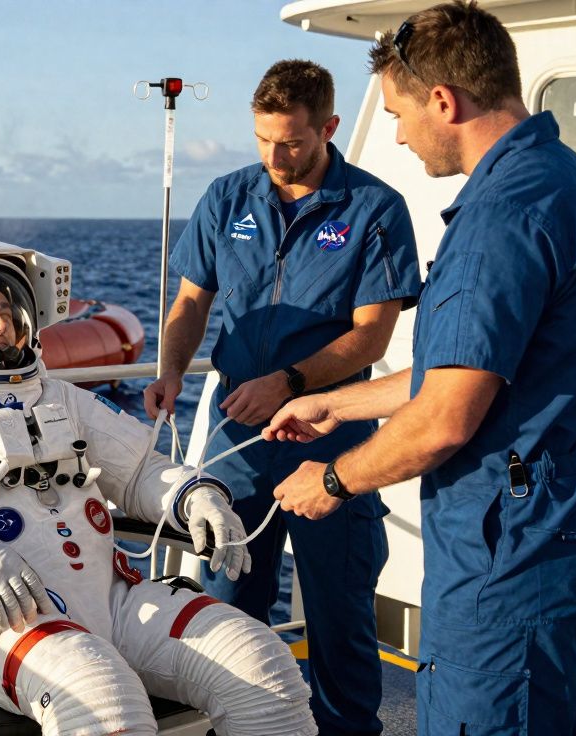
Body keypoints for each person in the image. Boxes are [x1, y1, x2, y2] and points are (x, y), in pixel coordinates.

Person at [265, 3, 576, 734]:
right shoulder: (571, 181)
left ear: (445, 101)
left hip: (506, 556)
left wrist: (331, 481)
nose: (396, 132)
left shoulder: (500, 218)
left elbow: (447, 418)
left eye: (399, 111)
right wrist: (337, 405)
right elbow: (469, 372)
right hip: (553, 534)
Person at [0, 238, 316, 735]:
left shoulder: (61, 398)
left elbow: (138, 471)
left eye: (7, 307)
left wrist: (196, 496)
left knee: (258, 661)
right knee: (103, 704)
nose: (1, 324)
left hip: (110, 600)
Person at [142, 59, 423, 736]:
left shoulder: (375, 209)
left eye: (292, 141)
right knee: (226, 604)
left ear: (328, 127)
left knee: (337, 609)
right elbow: (189, 302)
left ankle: (347, 730)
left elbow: (370, 336)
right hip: (237, 439)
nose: (276, 155)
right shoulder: (228, 198)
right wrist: (172, 371)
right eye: (264, 139)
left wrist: (291, 382)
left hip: (331, 431)